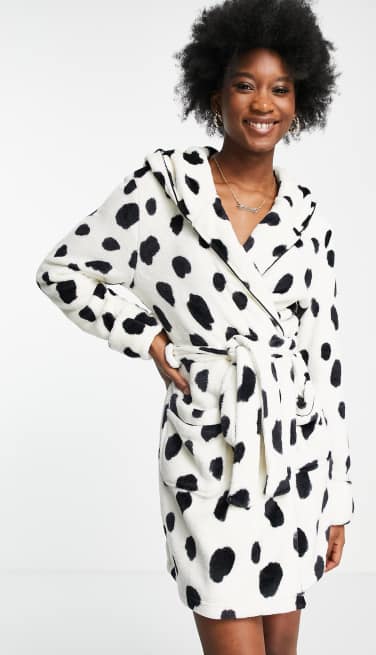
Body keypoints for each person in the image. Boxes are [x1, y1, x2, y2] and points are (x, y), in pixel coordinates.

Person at [35, 0, 355, 652]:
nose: (262, 103)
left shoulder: (308, 218)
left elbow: (324, 361)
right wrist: (149, 338)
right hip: (208, 446)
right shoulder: (162, 190)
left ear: (299, 104)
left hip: (292, 460)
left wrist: (337, 496)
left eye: (280, 89)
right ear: (215, 96)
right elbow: (63, 271)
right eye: (244, 85)